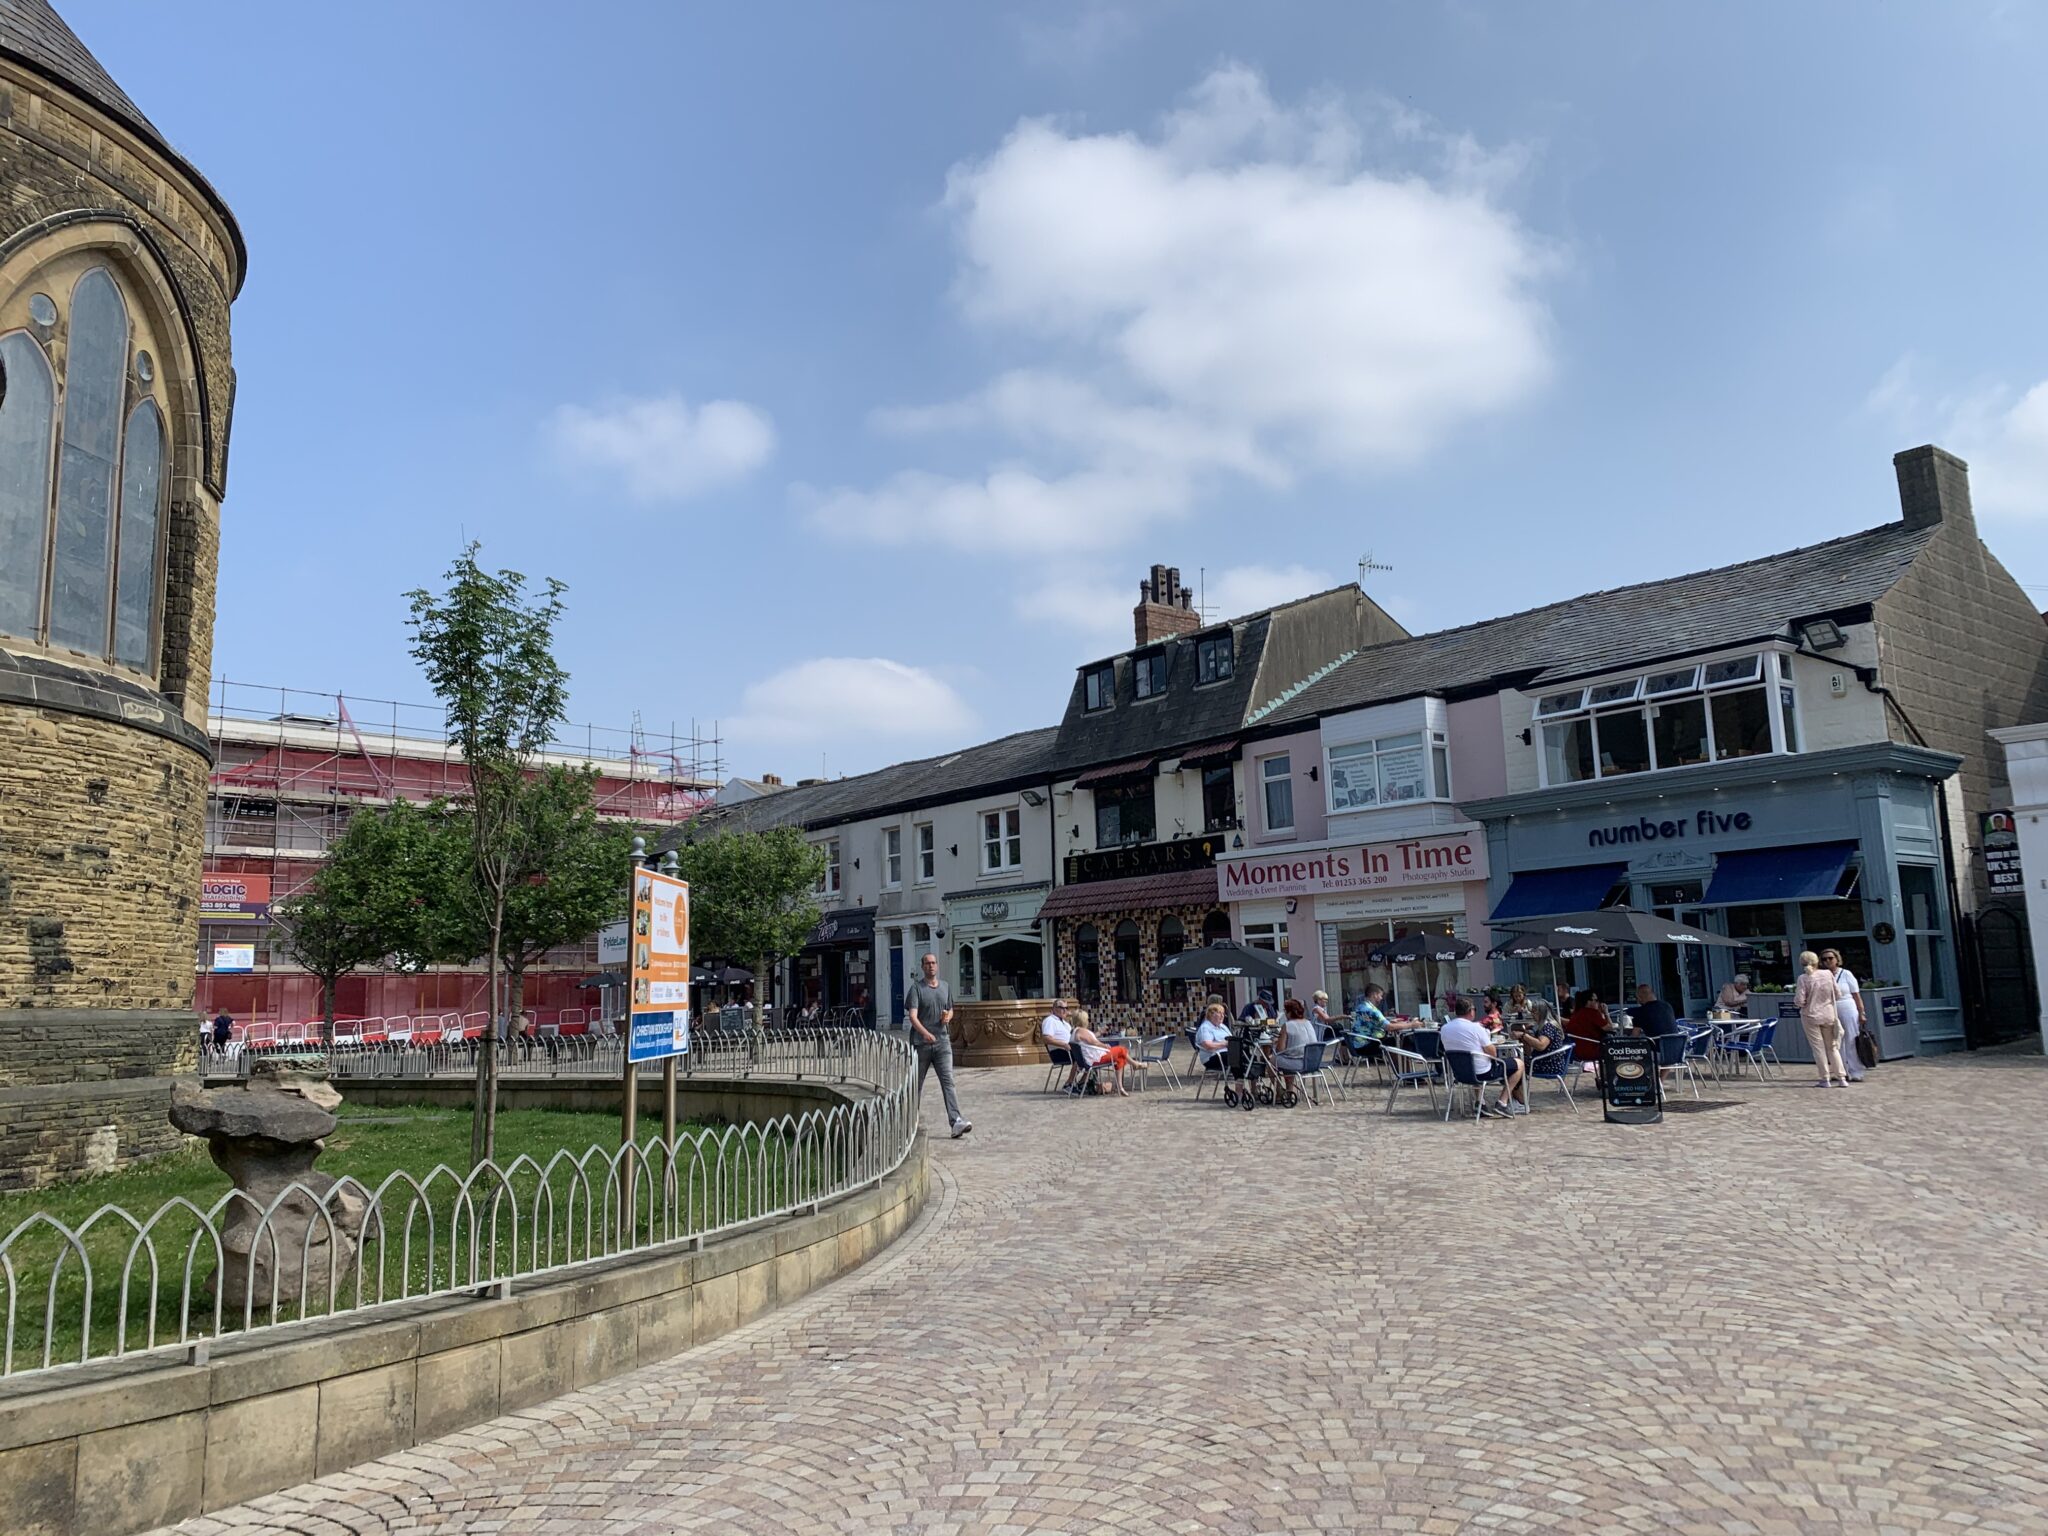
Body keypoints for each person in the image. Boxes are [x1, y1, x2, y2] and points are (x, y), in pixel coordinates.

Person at [904, 952, 971, 1136]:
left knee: (948, 1081)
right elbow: (912, 1016)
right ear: (922, 967)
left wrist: (948, 1016)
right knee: (916, 1084)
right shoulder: (916, 989)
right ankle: (909, 1122)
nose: (931, 966)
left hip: (942, 1042)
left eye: (933, 963)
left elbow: (950, 1009)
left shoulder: (946, 987)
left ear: (937, 966)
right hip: (921, 1044)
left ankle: (956, 1121)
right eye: (927, 963)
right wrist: (925, 1033)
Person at [1440, 996, 1522, 1117]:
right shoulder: (1476, 1028)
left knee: (1475, 1061)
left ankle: (1480, 1102)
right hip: (1482, 1073)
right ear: (1471, 1011)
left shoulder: (1444, 1029)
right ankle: (1502, 1102)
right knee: (1520, 1064)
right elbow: (1493, 1053)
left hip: (1460, 1073)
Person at [1794, 950, 1847, 1087]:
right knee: (1833, 1047)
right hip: (1828, 1014)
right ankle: (1841, 1078)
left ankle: (1825, 1079)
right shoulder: (1828, 974)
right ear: (1817, 961)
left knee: (1818, 1048)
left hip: (1810, 1015)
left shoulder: (1803, 978)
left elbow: (1800, 1001)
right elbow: (1838, 994)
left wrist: (1801, 1002)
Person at [1822, 949, 1866, 1082]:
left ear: (1837, 959)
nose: (1828, 961)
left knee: (1851, 1038)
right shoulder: (1822, 975)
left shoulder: (1846, 974)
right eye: (1824, 959)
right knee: (1835, 1041)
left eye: (1830, 958)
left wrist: (1861, 1012)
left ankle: (1856, 1071)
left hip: (1847, 1006)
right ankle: (1841, 1071)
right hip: (1831, 1008)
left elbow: (1856, 994)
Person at [1069, 1008, 1135, 1096]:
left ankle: (1120, 1087)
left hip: (1087, 1059)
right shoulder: (1082, 1031)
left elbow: (1089, 1040)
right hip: (1095, 1059)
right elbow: (1094, 1042)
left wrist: (1099, 1033)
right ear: (1084, 1020)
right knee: (1121, 1049)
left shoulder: (1075, 1031)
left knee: (1120, 1057)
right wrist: (1105, 1046)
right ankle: (1135, 1064)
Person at [1268, 997, 1319, 1099]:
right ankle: (1289, 1091)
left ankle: (1280, 1091)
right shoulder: (1308, 1023)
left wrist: (1278, 1041)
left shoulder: (1287, 1025)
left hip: (1297, 1063)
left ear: (1289, 1013)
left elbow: (1280, 1050)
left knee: (1271, 1061)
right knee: (1288, 1058)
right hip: (1312, 1062)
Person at [1040, 997, 1082, 1090]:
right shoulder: (1050, 1021)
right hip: (1059, 1051)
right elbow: (1046, 1039)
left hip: (1070, 1049)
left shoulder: (1065, 1023)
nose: (1065, 1010)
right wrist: (1063, 1044)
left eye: (1066, 1008)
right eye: (1062, 1008)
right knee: (1081, 1057)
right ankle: (1069, 1084)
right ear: (1054, 1009)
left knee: (1091, 1056)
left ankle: (1082, 1083)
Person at [1565, 989, 1610, 1059]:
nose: (1598, 1003)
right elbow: (1610, 1028)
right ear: (1589, 1001)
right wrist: (1606, 1013)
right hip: (1593, 1049)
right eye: (1596, 1000)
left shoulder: (1577, 1013)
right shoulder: (1592, 1013)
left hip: (1577, 1050)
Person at [1194, 1002, 1232, 1077]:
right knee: (1236, 1059)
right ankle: (1239, 1082)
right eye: (1219, 1013)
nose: (1222, 1016)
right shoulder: (1205, 1027)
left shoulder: (1223, 1026)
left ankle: (1247, 1081)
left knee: (1247, 1056)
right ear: (1211, 1015)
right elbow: (1207, 1045)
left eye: (1223, 1013)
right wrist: (1225, 1044)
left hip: (1225, 1053)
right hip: (1212, 1057)